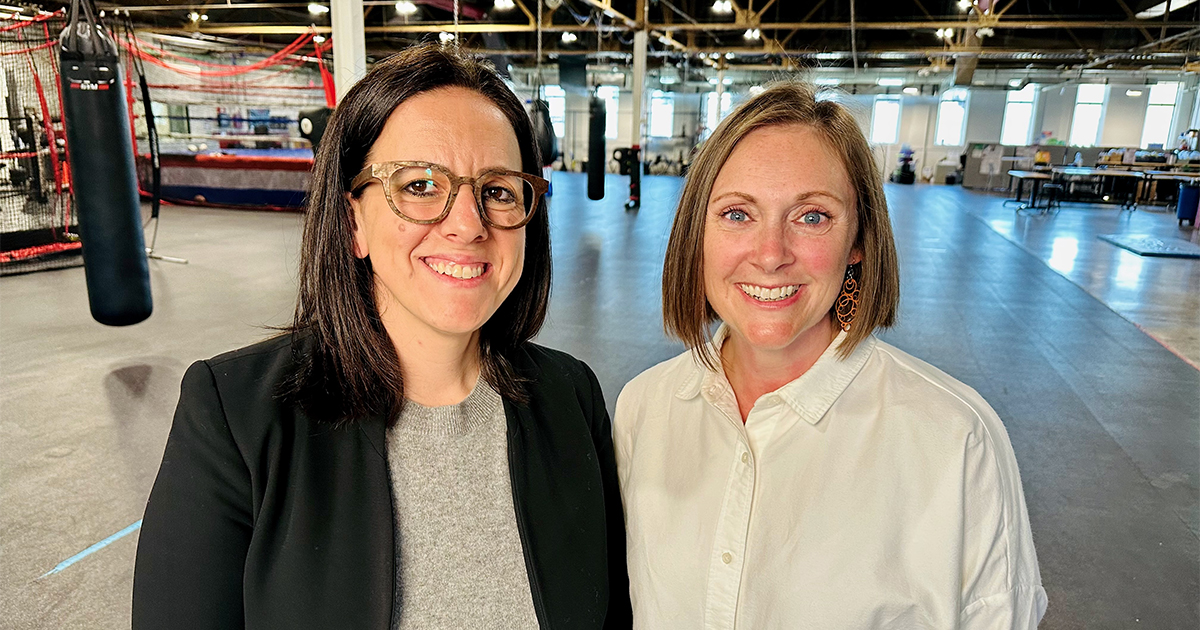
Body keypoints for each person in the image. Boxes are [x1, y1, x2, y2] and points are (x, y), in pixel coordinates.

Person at [133, 43, 630, 630]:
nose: (468, 225)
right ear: (353, 222)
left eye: (497, 190)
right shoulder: (235, 415)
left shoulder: (571, 395)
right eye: (420, 185)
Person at [614, 82, 1046, 629]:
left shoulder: (956, 440)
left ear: (859, 241)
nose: (771, 255)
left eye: (812, 216)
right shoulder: (644, 409)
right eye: (737, 214)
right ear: (697, 231)